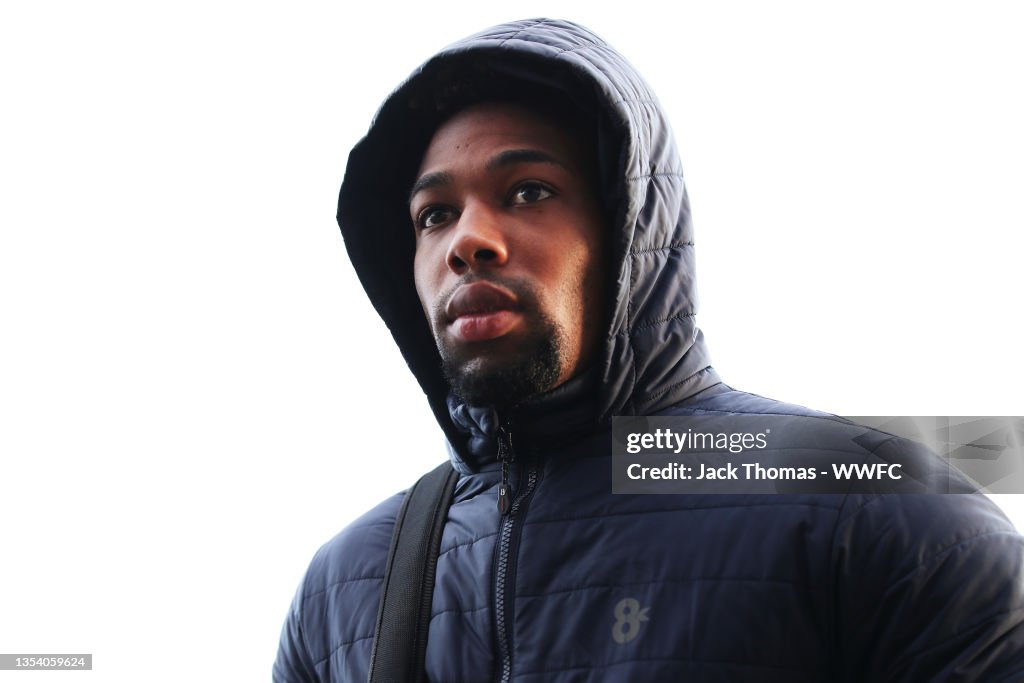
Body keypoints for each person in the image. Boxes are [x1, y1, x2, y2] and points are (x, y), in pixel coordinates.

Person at [274, 18, 1024, 682]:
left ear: (627, 230)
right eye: (435, 214)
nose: (468, 240)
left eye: (529, 191)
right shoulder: (346, 588)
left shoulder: (877, 509)